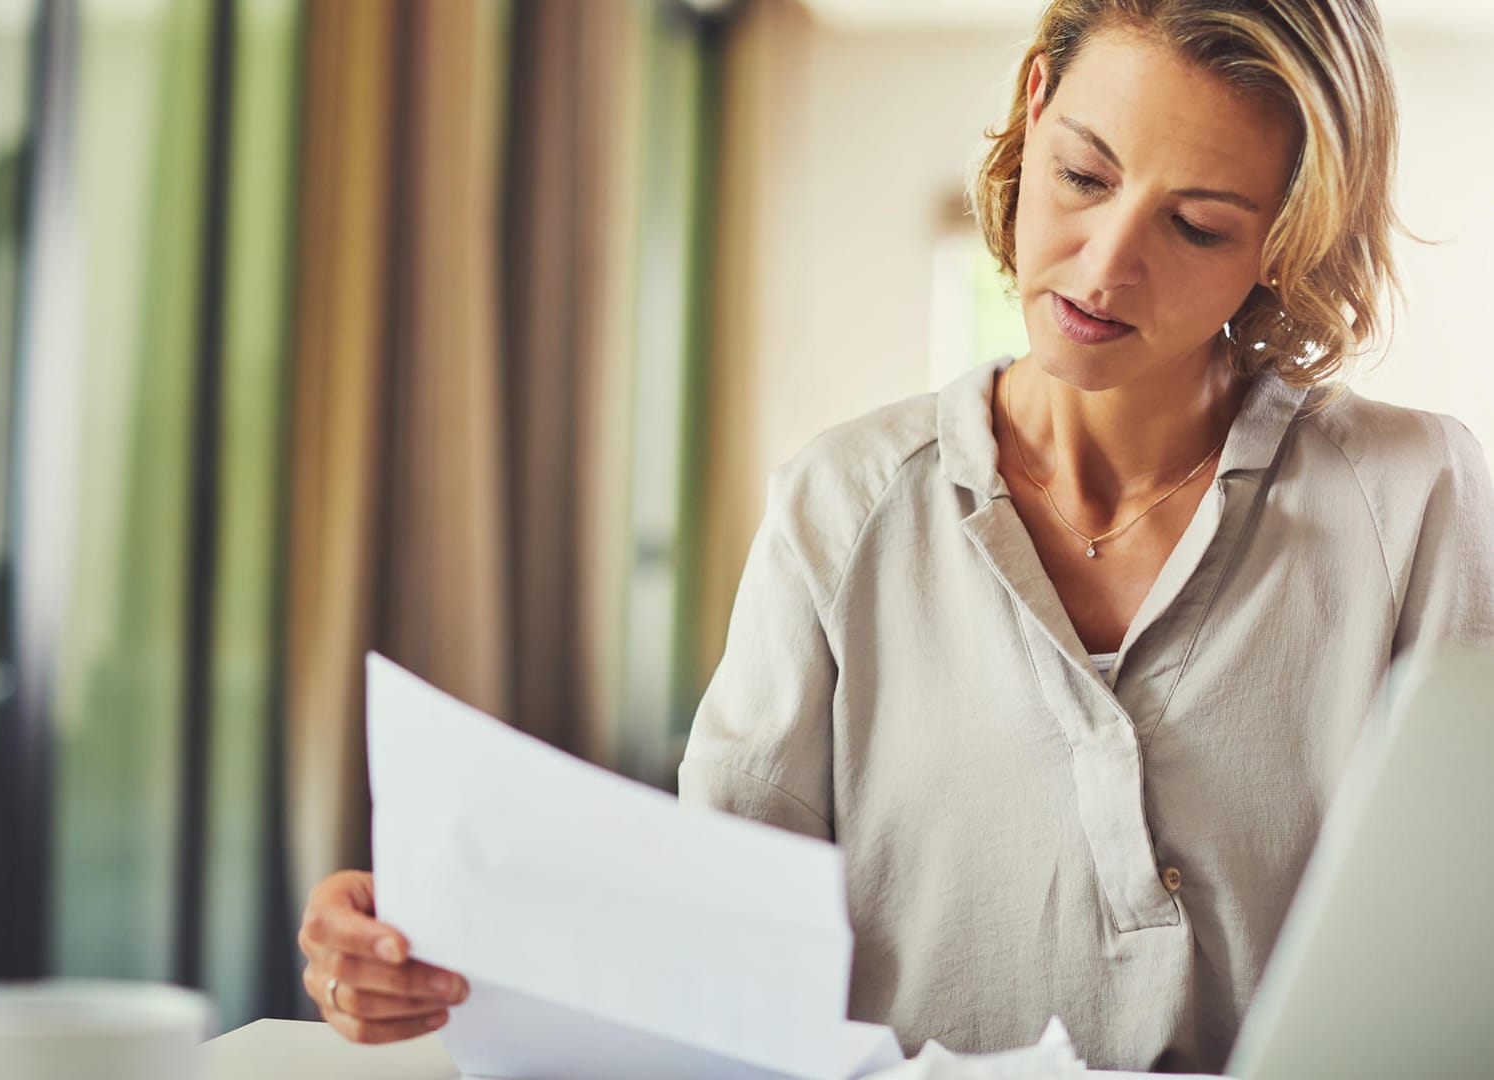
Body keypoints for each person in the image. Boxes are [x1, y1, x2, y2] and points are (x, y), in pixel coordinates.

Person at [295, 0, 1494, 1070]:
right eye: (1084, 176)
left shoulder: (1410, 497)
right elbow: (713, 941)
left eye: (1196, 226)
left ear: (1285, 238)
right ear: (1036, 108)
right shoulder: (840, 503)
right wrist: (445, 943)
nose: (1106, 264)